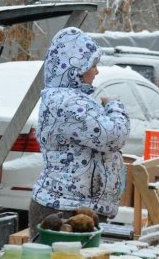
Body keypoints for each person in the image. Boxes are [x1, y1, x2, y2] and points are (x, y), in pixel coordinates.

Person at [28, 27, 131, 238]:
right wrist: (114, 106)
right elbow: (113, 136)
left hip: (74, 207)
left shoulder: (69, 99)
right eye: (92, 64)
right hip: (64, 211)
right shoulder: (67, 103)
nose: (96, 71)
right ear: (75, 66)